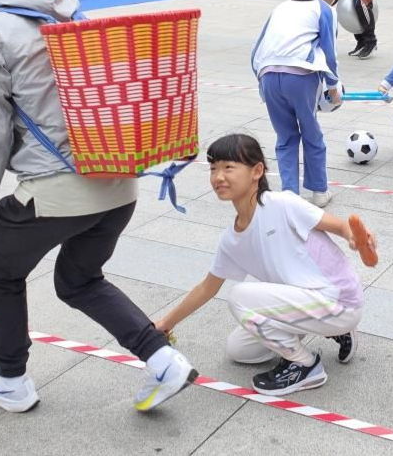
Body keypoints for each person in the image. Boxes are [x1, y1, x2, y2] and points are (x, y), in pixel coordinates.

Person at [0, 0, 197, 414]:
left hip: (59, 188)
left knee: (2, 272)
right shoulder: (68, 14)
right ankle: (163, 360)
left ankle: (9, 381)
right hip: (119, 181)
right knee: (79, 279)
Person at [153, 133, 370, 397]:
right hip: (306, 303)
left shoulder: (282, 204)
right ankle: (331, 332)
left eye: (228, 167)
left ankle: (304, 365)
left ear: (257, 171)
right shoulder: (231, 239)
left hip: (339, 301)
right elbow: (206, 288)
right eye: (213, 168)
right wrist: (166, 322)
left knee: (240, 296)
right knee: (239, 350)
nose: (218, 177)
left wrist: (355, 239)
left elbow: (339, 225)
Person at [251, 0, 341, 208]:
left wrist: (262, 83)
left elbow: (257, 50)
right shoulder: (325, 10)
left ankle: (290, 193)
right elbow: (329, 54)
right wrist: (333, 86)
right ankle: (319, 191)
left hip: (268, 75)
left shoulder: (281, 7)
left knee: (286, 137)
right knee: (312, 133)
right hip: (301, 76)